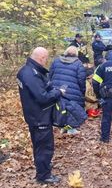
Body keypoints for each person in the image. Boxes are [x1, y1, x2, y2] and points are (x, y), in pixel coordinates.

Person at [17, 47, 64, 184]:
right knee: (45, 147)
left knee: (39, 145)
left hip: (35, 115)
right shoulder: (29, 74)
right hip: (39, 117)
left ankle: (42, 169)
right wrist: (59, 92)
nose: (46, 61)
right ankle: (44, 176)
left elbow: (40, 89)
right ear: (41, 57)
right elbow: (42, 97)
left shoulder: (28, 70)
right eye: (46, 58)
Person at [49, 46, 87, 134]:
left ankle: (61, 126)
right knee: (71, 110)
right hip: (72, 91)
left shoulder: (56, 61)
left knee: (60, 108)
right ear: (76, 54)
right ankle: (71, 129)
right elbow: (82, 80)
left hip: (57, 89)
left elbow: (50, 75)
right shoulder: (78, 64)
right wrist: (82, 91)